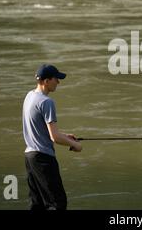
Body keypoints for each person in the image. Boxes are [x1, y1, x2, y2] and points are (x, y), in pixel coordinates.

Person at [22, 64, 82, 210]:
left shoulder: (30, 96)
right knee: (57, 203)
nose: (58, 82)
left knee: (37, 204)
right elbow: (54, 137)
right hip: (44, 159)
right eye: (56, 79)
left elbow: (40, 129)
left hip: (30, 157)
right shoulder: (47, 102)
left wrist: (66, 136)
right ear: (46, 81)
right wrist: (75, 145)